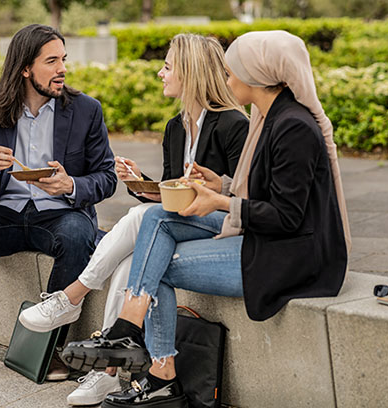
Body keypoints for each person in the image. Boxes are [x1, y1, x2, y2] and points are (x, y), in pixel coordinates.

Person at [61, 30, 352, 408]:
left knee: (154, 261)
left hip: (292, 259)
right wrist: (224, 185)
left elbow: (287, 216)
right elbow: (264, 195)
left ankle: (149, 361)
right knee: (157, 222)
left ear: (257, 76)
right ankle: (139, 347)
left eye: (233, 73)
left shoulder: (292, 125)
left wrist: (221, 201)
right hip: (267, 242)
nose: (227, 81)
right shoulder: (271, 117)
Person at [19, 33, 248, 405]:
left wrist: (164, 200)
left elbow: (241, 199)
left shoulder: (233, 124)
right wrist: (144, 185)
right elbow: (173, 194)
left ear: (189, 72)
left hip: (222, 227)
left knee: (145, 218)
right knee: (136, 248)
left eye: (168, 66)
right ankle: (107, 371)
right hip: (177, 224)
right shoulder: (176, 128)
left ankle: (73, 297)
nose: (160, 73)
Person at [0, 24, 117, 382]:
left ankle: (50, 350)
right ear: (25, 68)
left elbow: (106, 177)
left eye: (64, 59)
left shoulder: (86, 110)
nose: (62, 68)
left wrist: (70, 185)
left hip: (60, 215)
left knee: (80, 235)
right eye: (52, 61)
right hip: (4, 212)